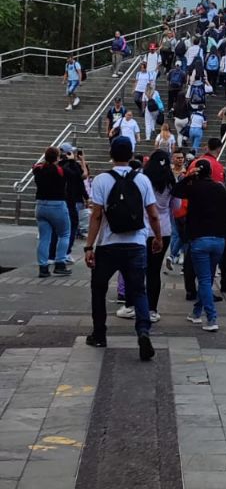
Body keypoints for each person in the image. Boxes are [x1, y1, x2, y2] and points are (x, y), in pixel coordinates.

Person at [83, 136, 162, 360]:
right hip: (136, 244)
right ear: (131, 154)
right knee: (138, 290)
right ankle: (143, 331)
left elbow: (96, 216)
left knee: (99, 288)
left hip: (108, 245)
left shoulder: (101, 180)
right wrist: (158, 237)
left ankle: (99, 334)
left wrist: (89, 247)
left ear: (111, 154)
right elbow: (153, 214)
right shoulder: (142, 180)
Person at [173, 159, 226, 330]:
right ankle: (196, 311)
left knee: (204, 280)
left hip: (199, 239)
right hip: (219, 239)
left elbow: (175, 191)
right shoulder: (221, 188)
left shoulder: (194, 188)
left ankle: (211, 318)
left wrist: (187, 177)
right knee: (208, 276)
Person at [117, 150, 174, 323]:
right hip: (163, 230)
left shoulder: (141, 178)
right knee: (154, 271)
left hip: (141, 230)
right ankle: (152, 309)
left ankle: (131, 306)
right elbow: (176, 205)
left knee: (135, 269)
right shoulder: (171, 181)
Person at [33, 146, 72, 278]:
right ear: (57, 157)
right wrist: (70, 161)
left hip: (41, 205)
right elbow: (77, 175)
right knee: (64, 234)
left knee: (44, 238)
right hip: (57, 204)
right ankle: (60, 263)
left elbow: (36, 166)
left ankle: (43, 268)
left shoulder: (38, 169)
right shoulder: (60, 170)